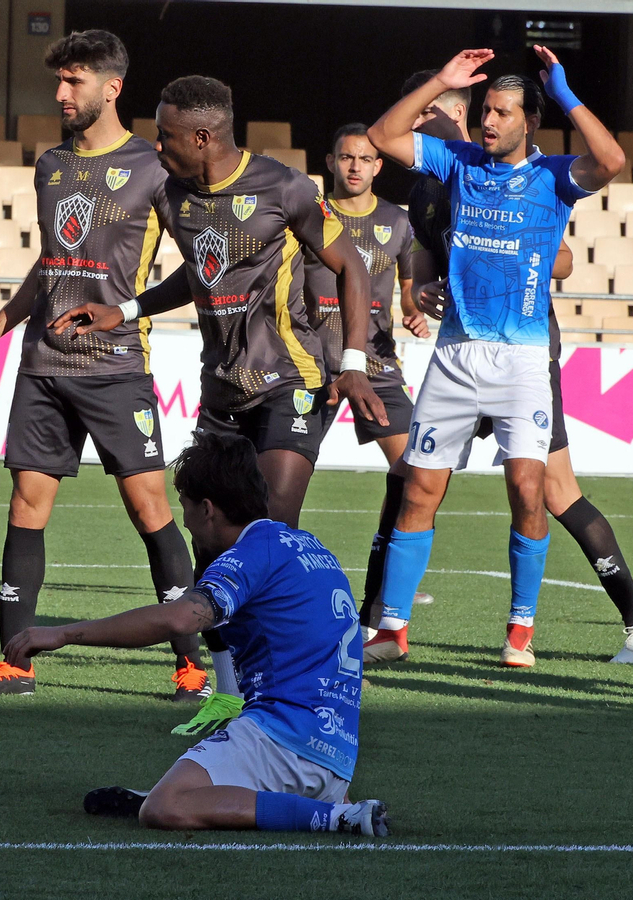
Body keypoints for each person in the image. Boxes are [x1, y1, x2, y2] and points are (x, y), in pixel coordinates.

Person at [52, 75, 385, 734]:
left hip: (290, 381)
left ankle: (306, 675)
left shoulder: (284, 188)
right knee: (210, 539)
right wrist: (126, 309)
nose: (157, 145)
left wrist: (352, 365)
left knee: (265, 534)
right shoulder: (176, 193)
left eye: (166, 135)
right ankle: (230, 694)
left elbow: (353, 266)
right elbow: (199, 271)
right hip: (222, 390)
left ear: (202, 136)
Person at [364, 65, 633, 666]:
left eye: (502, 112)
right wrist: (425, 288)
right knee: (415, 484)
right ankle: (389, 628)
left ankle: (535, 630)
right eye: (486, 110)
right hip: (455, 354)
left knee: (537, 489)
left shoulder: (551, 175)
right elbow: (382, 138)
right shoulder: (450, 168)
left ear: (529, 121)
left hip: (524, 355)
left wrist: (564, 93)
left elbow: (610, 163)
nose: (489, 120)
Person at [0, 30, 210, 701]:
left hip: (116, 367)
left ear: (112, 87)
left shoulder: (154, 168)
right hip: (43, 364)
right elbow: (51, 261)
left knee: (150, 508)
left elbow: (200, 265)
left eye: (75, 81)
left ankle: (191, 668)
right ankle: (15, 666)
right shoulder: (51, 165)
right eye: (59, 81)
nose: (62, 94)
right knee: (25, 505)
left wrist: (129, 309)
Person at [3, 432, 386, 836]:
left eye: (184, 506)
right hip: (337, 755)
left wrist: (64, 634)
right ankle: (325, 805)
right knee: (196, 787)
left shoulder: (249, 555)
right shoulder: (309, 546)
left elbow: (181, 619)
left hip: (283, 737)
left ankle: (330, 817)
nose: (183, 521)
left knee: (164, 807)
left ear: (207, 509)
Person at [302, 123, 434, 612]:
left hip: (375, 364)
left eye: (364, 158)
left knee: (413, 470)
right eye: (346, 157)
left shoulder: (397, 221)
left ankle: (384, 589)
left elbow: (409, 286)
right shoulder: (310, 214)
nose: (355, 166)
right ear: (331, 162)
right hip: (313, 365)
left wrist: (414, 309)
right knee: (281, 477)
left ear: (379, 166)